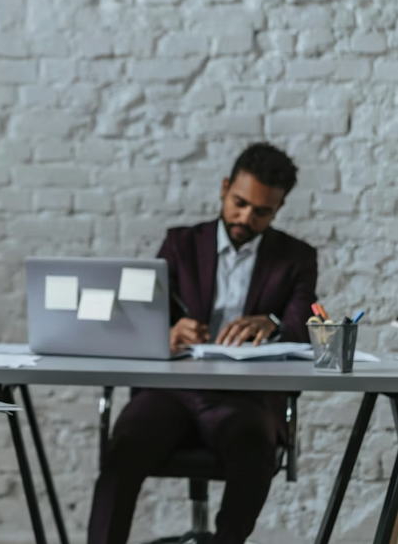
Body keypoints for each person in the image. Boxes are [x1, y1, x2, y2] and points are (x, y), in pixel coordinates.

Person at [87, 142, 318, 544]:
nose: (246, 217)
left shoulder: (296, 258)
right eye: (240, 202)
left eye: (262, 211)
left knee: (253, 454)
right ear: (225, 187)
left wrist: (273, 322)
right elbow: (144, 315)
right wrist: (168, 332)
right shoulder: (180, 244)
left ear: (278, 209)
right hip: (171, 392)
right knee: (124, 449)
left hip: (245, 397)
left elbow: (302, 326)